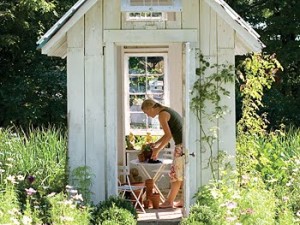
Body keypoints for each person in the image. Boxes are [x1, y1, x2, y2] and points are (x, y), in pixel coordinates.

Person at [141, 99, 184, 208]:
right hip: (185, 145)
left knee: (176, 175)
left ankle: (169, 202)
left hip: (181, 147)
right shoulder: (166, 111)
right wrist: (156, 143)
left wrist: (157, 150)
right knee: (181, 175)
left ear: (151, 108)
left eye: (146, 113)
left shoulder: (162, 115)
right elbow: (167, 135)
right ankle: (183, 200)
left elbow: (168, 136)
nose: (148, 116)